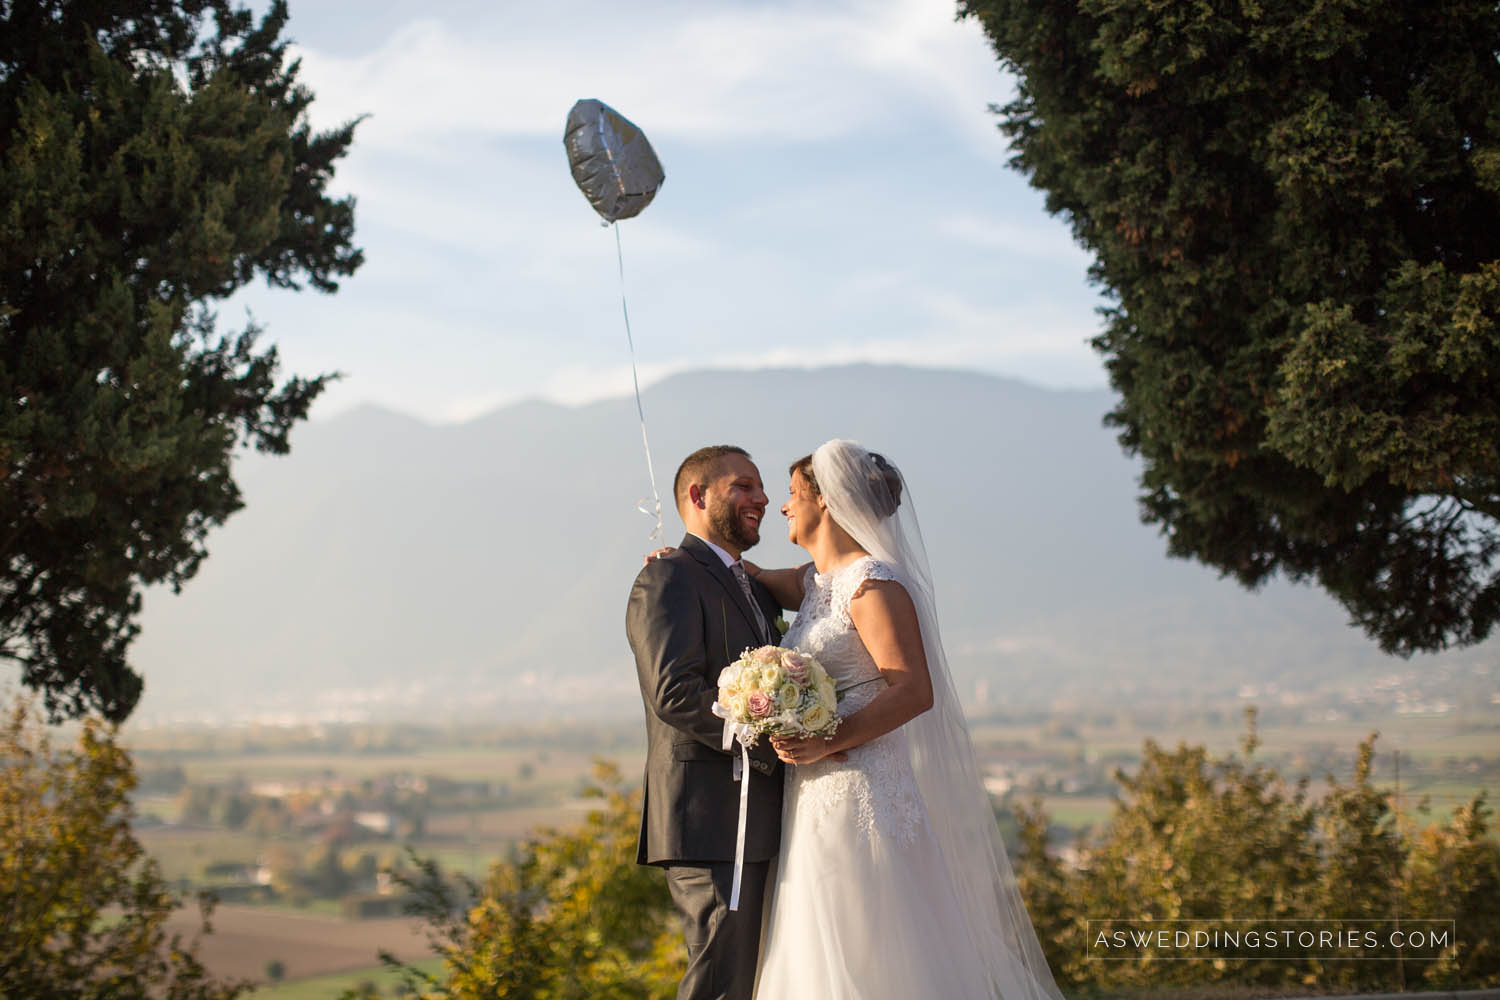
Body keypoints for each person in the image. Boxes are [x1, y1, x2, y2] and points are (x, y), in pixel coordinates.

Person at [745, 439, 1066, 1000]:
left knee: (867, 927)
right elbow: (743, 575)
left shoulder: (872, 584)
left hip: (861, 784)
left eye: (794, 494)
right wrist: (684, 560)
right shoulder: (814, 582)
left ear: (828, 501)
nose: (783, 507)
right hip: (813, 788)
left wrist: (830, 739)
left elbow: (915, 690)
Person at [625, 445, 786, 1000]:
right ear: (698, 495)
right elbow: (674, 693)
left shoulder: (754, 587)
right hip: (713, 819)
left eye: (761, 488)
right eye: (743, 486)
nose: (762, 498)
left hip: (761, 818)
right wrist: (770, 745)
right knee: (721, 983)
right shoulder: (668, 578)